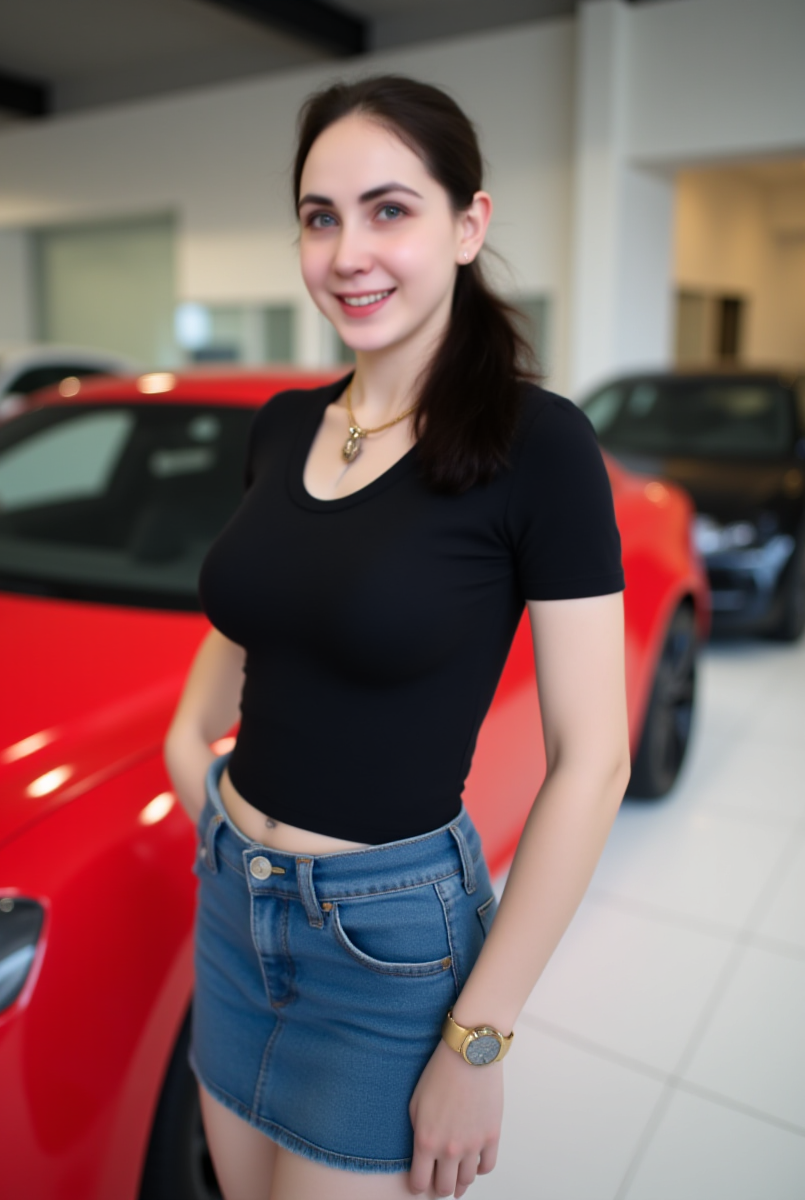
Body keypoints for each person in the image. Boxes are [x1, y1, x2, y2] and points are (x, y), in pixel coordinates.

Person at [164, 75, 630, 1200]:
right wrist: (196, 771)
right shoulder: (281, 427)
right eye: (320, 218)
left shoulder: (538, 447)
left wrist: (478, 1041)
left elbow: (595, 760)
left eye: (388, 209)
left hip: (387, 947)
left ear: (467, 225)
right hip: (233, 909)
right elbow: (233, 640)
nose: (346, 252)